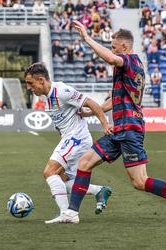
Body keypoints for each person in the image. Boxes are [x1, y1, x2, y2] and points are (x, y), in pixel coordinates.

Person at [48, 21, 166, 224]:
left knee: (140, 182)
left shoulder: (130, 60)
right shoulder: (129, 67)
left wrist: (87, 38)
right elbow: (116, 100)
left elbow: (110, 58)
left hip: (130, 128)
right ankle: (72, 213)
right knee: (85, 163)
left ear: (124, 47)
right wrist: (89, 112)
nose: (112, 50)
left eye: (114, 46)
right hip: (118, 129)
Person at [25, 62, 113, 223]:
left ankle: (67, 213)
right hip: (69, 139)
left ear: (41, 80)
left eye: (30, 83)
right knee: (62, 179)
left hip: (77, 138)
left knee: (49, 172)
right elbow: (61, 125)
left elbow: (91, 103)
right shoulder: (46, 99)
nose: (29, 88)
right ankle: (99, 190)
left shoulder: (62, 91)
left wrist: (105, 125)